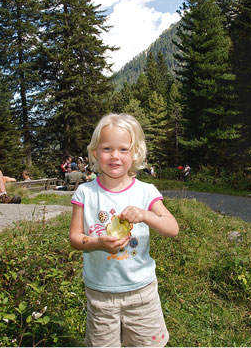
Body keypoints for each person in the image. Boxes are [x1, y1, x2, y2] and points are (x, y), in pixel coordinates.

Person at [68, 113, 179, 347]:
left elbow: (172, 228)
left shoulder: (145, 192)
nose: (115, 156)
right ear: (95, 152)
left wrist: (146, 215)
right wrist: (98, 243)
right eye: (107, 148)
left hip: (142, 293)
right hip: (100, 295)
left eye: (123, 149)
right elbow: (75, 238)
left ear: (135, 153)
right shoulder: (85, 193)